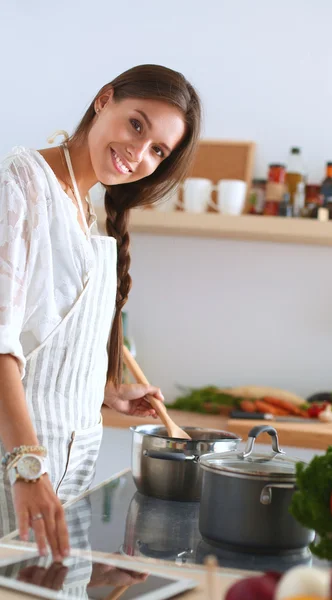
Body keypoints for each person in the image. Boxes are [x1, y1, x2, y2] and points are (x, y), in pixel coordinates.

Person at [0, 64, 201, 561]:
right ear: (103, 99)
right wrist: (27, 468)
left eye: (159, 150)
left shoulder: (87, 205)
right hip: (18, 468)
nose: (139, 153)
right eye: (137, 124)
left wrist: (104, 391)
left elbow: (43, 335)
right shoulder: (22, 181)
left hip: (68, 470)